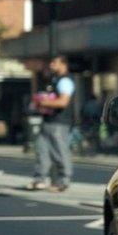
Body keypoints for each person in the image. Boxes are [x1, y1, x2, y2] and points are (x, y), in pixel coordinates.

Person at [27, 56, 75, 192]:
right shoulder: (55, 80)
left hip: (59, 122)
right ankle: (40, 179)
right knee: (42, 150)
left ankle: (63, 181)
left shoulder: (65, 81)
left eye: (55, 62)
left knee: (60, 152)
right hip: (48, 120)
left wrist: (43, 103)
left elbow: (63, 102)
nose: (52, 65)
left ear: (63, 64)